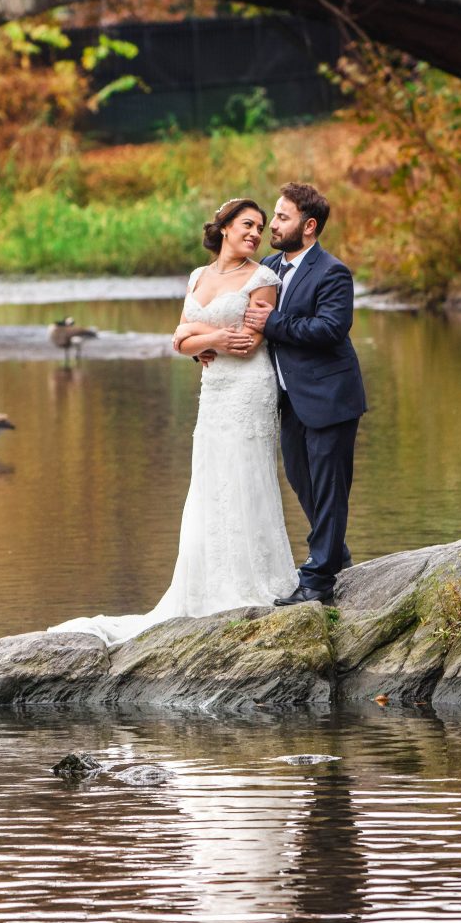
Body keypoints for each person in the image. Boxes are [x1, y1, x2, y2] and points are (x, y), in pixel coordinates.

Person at [50, 197, 297, 644]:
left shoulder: (264, 278)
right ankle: (203, 584)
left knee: (244, 474)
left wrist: (209, 338)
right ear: (224, 228)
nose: (255, 234)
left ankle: (256, 579)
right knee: (208, 478)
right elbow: (178, 339)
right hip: (214, 392)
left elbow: (247, 342)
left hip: (246, 388)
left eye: (260, 228)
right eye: (247, 225)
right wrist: (208, 337)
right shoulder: (198, 277)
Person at [241, 182, 365, 605]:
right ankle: (335, 554)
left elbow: (330, 329)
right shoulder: (268, 268)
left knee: (330, 487)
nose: (271, 225)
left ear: (308, 226)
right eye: (274, 216)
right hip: (290, 400)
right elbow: (243, 319)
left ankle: (318, 580)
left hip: (331, 398)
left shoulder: (332, 272)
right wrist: (208, 347)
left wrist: (272, 323)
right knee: (300, 479)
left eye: (281, 217)